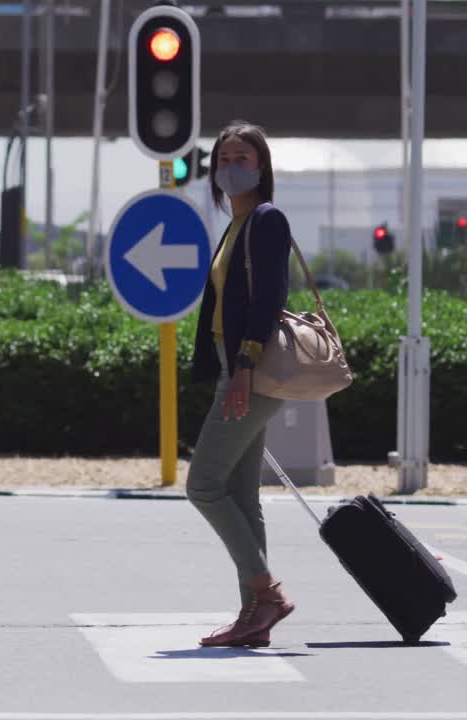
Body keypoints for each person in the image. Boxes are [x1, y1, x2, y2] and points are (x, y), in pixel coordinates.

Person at [187, 121, 296, 648]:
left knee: (203, 485)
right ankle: (254, 618)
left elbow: (270, 296)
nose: (231, 165)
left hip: (250, 373)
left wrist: (245, 366)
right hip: (237, 373)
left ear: (261, 167)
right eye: (224, 157)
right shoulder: (235, 225)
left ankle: (266, 594)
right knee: (241, 495)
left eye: (243, 157)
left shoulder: (267, 220)